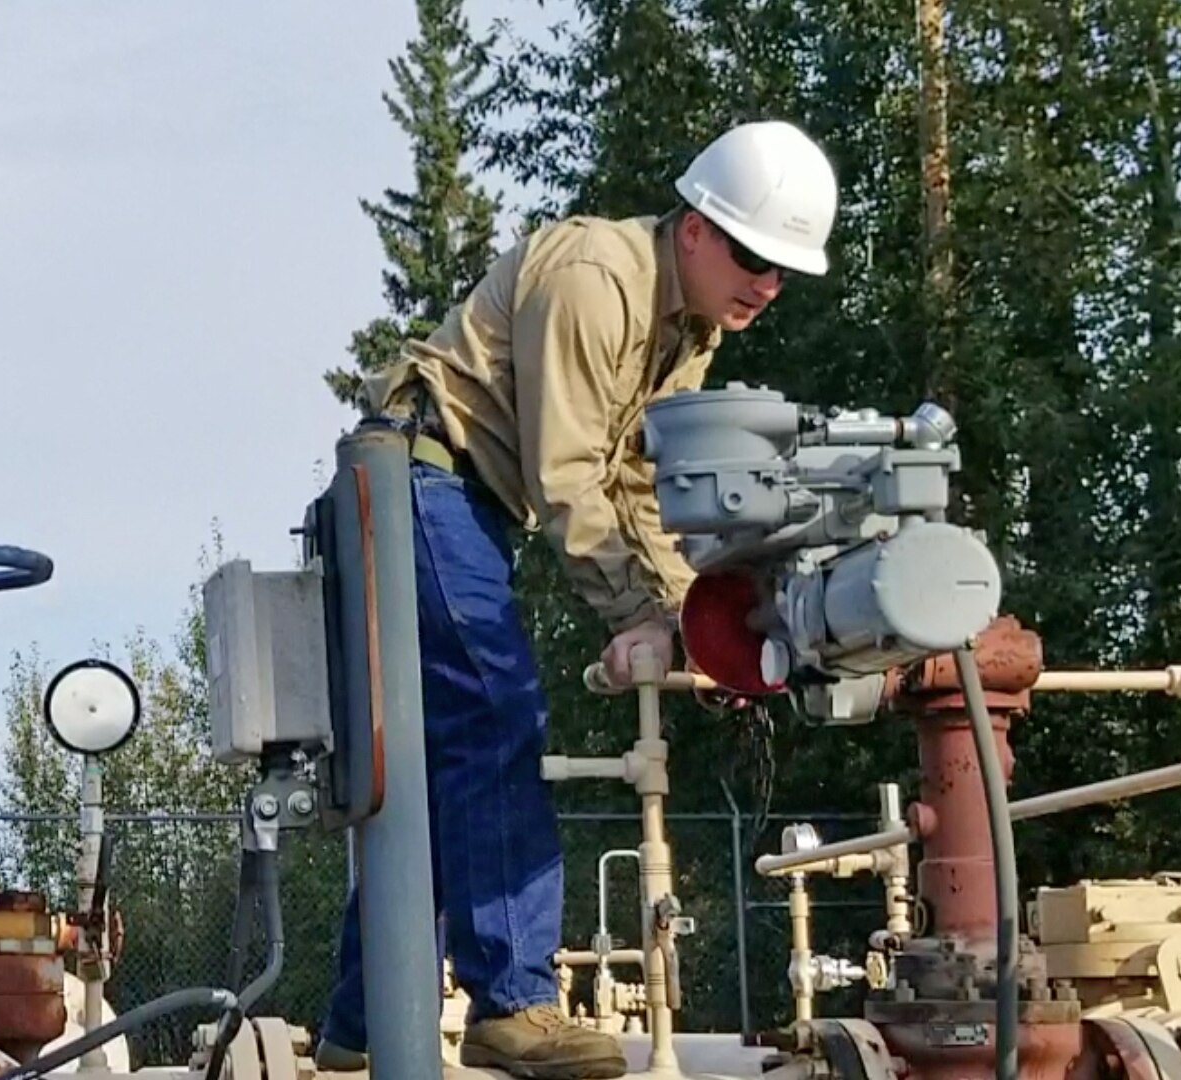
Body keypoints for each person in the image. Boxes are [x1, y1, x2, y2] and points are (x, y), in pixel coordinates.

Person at [315, 119, 840, 1079]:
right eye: (753, 254)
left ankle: (358, 1026)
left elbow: (639, 484)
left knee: (439, 769)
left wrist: (691, 617)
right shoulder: (596, 281)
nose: (766, 283)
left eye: (783, 269)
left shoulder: (686, 331)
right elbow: (568, 476)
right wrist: (639, 613)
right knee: (498, 715)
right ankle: (512, 1005)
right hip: (421, 482)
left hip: (459, 502)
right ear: (693, 227)